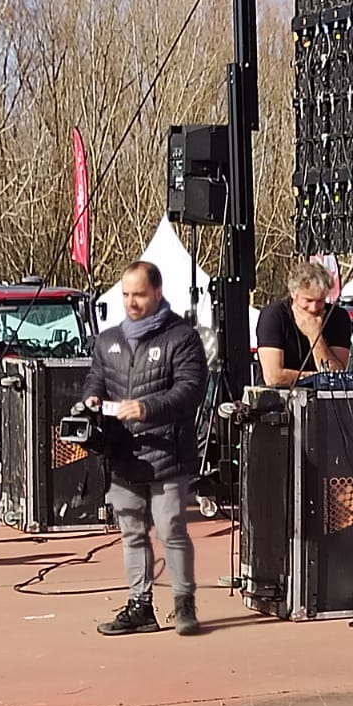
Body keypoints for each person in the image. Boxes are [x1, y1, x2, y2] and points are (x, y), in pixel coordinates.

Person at [83, 261, 209, 636]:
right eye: (125, 294)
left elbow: (190, 391)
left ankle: (184, 603)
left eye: (138, 294)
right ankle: (140, 606)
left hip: (167, 455)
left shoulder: (182, 337)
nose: (131, 302)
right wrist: (91, 398)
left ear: (157, 292)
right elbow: (96, 378)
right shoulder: (108, 340)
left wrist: (147, 407)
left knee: (171, 530)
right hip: (123, 454)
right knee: (131, 531)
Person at [255, 261, 353, 386]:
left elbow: (336, 376)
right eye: (308, 300)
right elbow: (274, 377)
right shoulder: (273, 316)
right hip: (276, 400)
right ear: (293, 294)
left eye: (320, 301)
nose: (314, 307)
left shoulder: (338, 317)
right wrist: (314, 377)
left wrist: (315, 337)